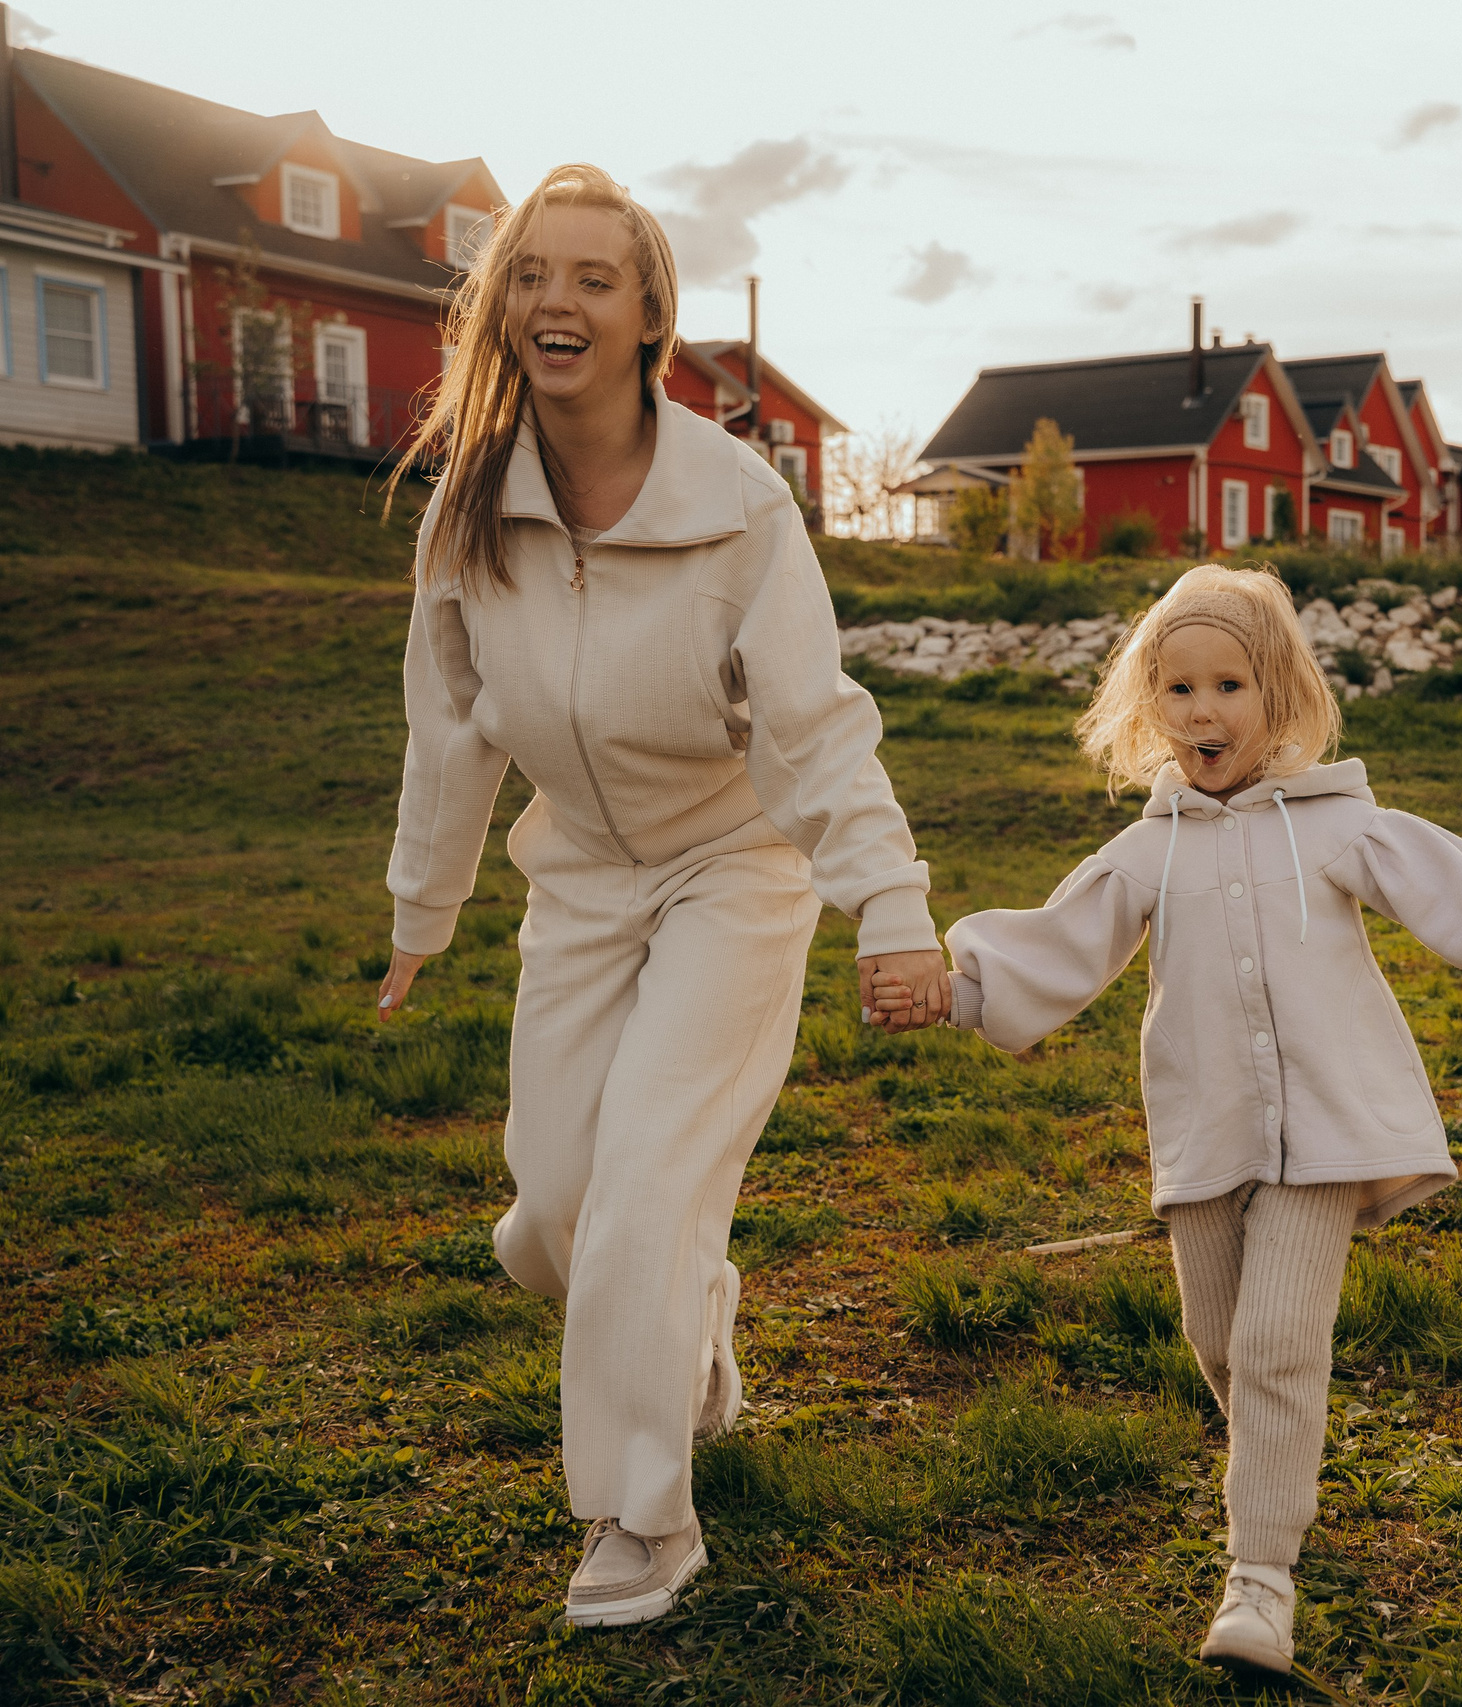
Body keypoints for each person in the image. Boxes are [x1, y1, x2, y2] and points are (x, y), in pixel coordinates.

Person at [884, 564, 1462, 1679]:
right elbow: (1058, 945)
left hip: (1327, 1130)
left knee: (1274, 1345)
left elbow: (1459, 895)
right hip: (1205, 1127)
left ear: (1278, 696)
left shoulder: (1340, 825)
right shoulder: (1147, 848)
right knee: (1218, 1342)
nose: (1202, 711)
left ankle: (1259, 1581)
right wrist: (952, 990)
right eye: (1177, 690)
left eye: (1228, 684)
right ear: (1148, 705)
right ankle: (1278, 1462)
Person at [372, 163, 948, 1628]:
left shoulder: (740, 508)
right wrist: (422, 913)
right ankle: (685, 1338)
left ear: (647, 321)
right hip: (578, 878)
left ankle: (642, 1514)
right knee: (559, 1203)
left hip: (735, 869)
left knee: (642, 1190)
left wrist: (888, 906)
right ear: (499, 306)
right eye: (530, 274)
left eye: (592, 279)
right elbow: (450, 725)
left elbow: (819, 726)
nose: (555, 301)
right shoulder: (470, 512)